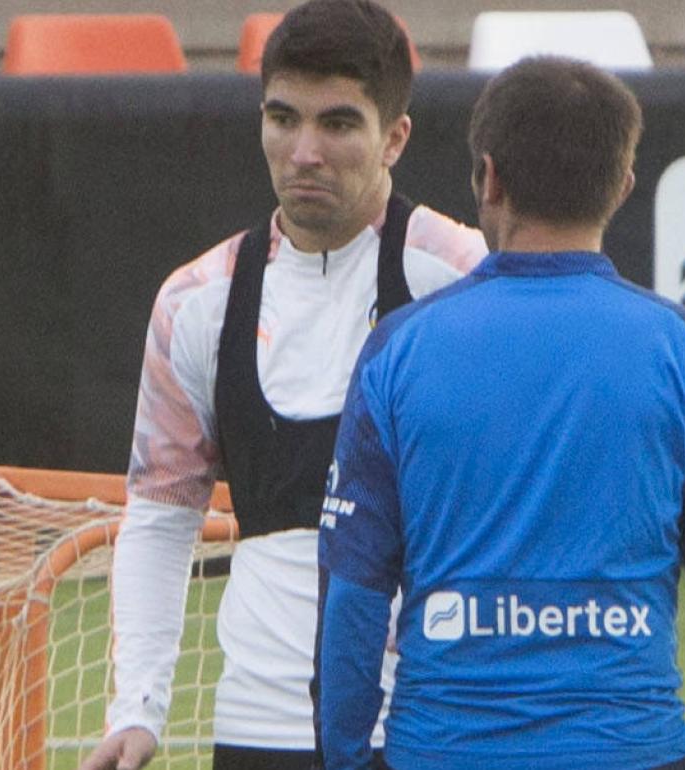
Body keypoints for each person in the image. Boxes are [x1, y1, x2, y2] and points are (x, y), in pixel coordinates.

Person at [315, 56, 685, 770]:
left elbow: (352, 596)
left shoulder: (400, 350)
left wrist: (345, 759)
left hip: (444, 754)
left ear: (489, 178)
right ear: (622, 187)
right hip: (632, 754)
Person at [77, 2, 486, 768]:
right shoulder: (196, 302)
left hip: (433, 723)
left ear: (395, 137)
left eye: (337, 123)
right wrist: (137, 707)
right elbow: (163, 519)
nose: (304, 152)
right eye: (282, 117)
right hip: (258, 726)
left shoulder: (464, 280)